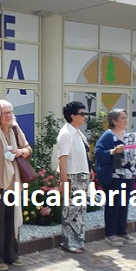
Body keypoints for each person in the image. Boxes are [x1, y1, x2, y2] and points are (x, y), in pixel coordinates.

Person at [0, 99, 31, 270]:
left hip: (12, 182)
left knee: (11, 218)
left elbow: (28, 148)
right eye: (4, 113)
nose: (9, 116)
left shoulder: (15, 130)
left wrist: (21, 151)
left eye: (10, 112)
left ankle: (11, 254)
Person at [95, 109, 136, 246]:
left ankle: (122, 232)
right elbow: (99, 153)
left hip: (129, 175)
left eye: (126, 117)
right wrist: (113, 151)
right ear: (114, 121)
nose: (125, 120)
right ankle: (111, 234)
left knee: (124, 205)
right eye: (122, 118)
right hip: (114, 176)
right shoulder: (108, 135)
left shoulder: (128, 136)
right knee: (113, 205)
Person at [57, 101, 93, 253]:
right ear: (73, 116)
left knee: (80, 210)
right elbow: (62, 158)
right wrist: (64, 181)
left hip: (82, 174)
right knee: (71, 211)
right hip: (73, 175)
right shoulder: (66, 134)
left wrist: (90, 170)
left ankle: (78, 240)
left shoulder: (78, 133)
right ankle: (68, 242)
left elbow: (84, 155)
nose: (85, 116)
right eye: (82, 114)